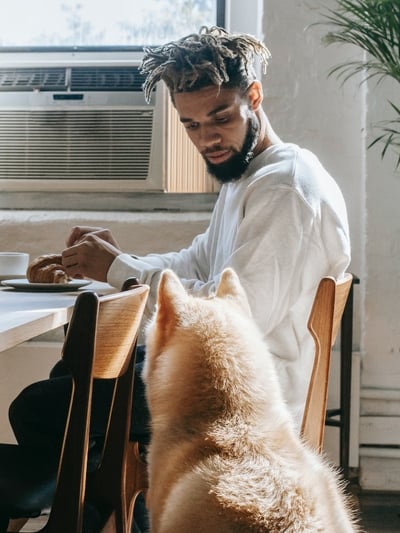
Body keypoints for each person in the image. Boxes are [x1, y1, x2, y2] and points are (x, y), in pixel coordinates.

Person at [8, 26, 350, 532]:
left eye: (221, 118)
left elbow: (229, 322)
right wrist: (115, 260)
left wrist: (119, 273)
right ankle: (106, 515)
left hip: (238, 395)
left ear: (254, 96)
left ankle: (88, 516)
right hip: (214, 380)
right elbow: (195, 264)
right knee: (76, 375)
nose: (207, 138)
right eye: (190, 125)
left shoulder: (284, 190)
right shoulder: (249, 177)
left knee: (39, 409)